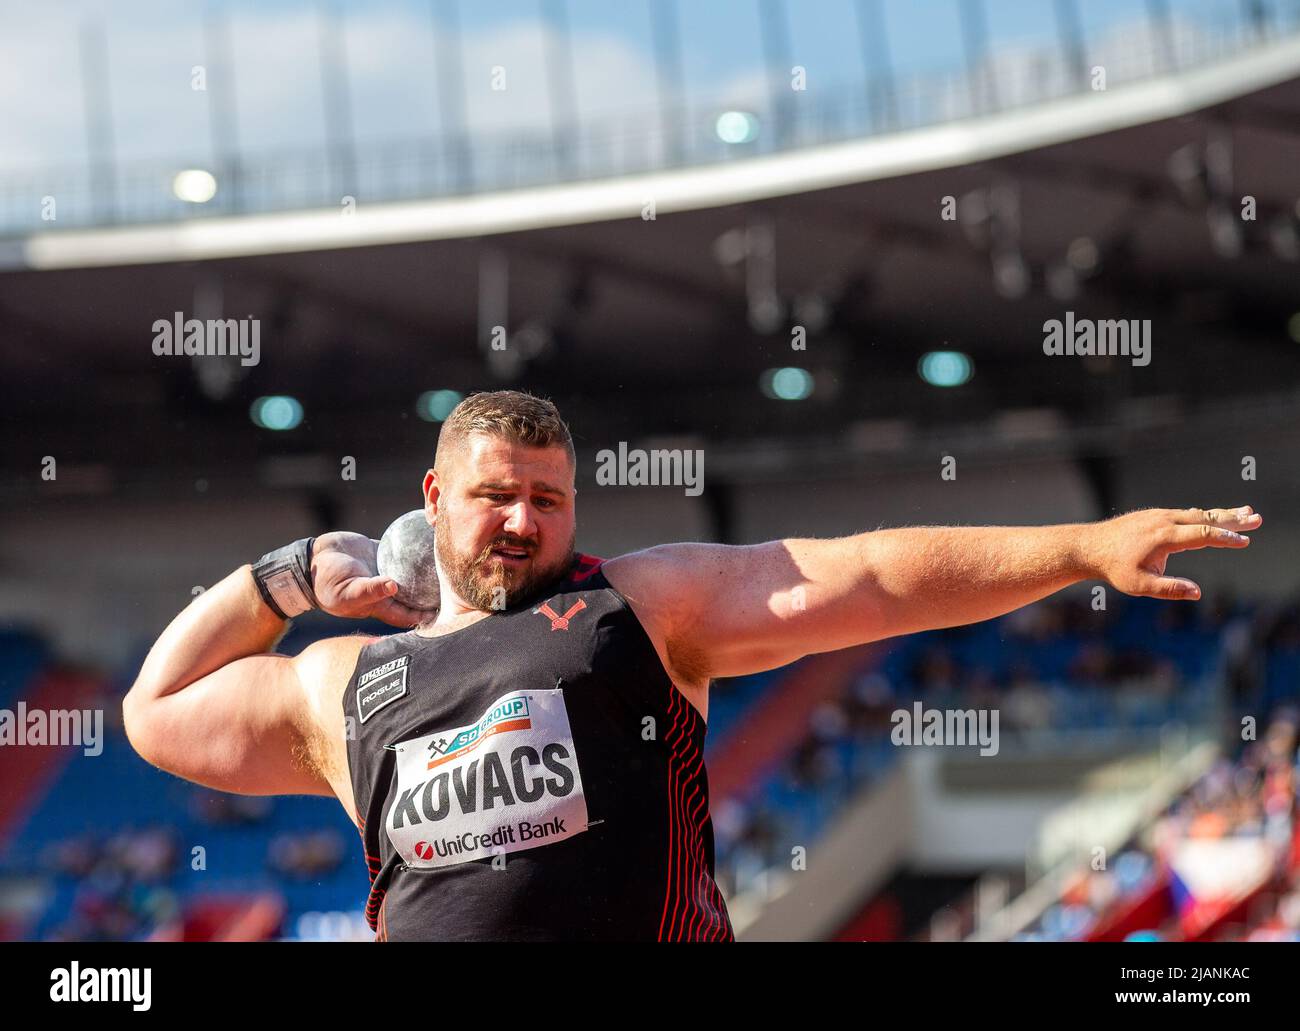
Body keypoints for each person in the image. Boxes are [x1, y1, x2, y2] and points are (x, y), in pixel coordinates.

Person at [122, 390, 1262, 941]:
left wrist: (1081, 548)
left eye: (548, 498)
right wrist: (278, 578)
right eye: (493, 496)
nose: (522, 520)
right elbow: (158, 708)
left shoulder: (639, 606)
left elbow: (867, 574)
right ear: (432, 500)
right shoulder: (349, 683)